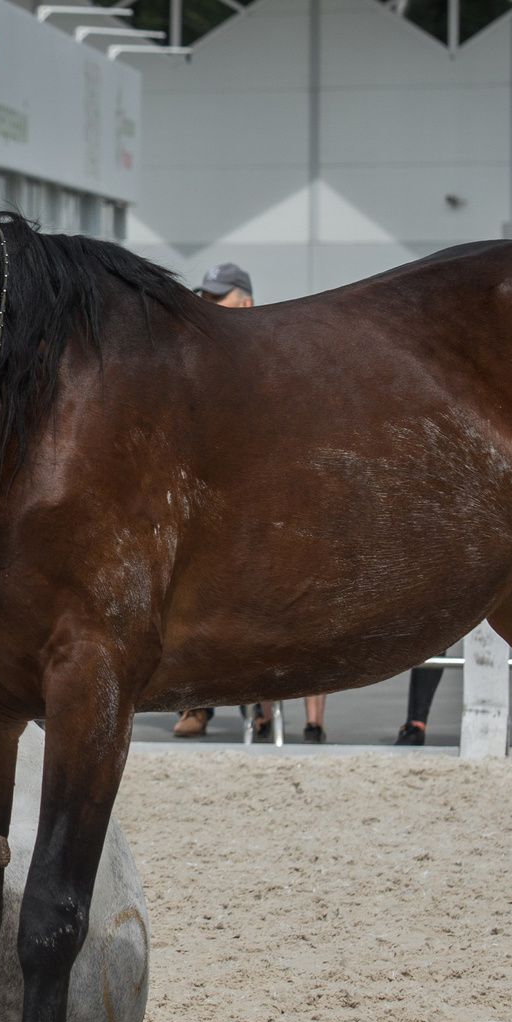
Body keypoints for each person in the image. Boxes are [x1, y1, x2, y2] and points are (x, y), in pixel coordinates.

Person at [174, 264, 319, 741]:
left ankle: (266, 710)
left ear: (246, 302)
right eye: (206, 298)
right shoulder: (197, 356)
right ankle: (197, 704)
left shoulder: (268, 353)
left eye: (219, 298)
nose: (209, 306)